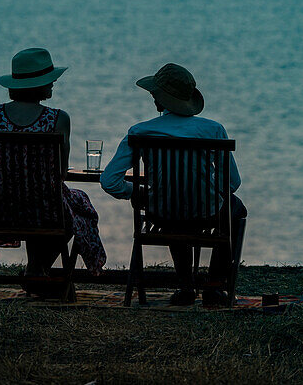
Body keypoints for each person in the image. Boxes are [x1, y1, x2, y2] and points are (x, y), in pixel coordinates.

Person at [100, 62, 246, 306]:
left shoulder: (140, 131)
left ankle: (186, 285)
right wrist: (205, 186)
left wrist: (140, 192)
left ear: (159, 101)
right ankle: (214, 285)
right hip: (206, 213)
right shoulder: (212, 129)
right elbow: (232, 182)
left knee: (173, 210)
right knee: (235, 208)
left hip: (162, 214)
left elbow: (109, 181)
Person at [0, 47, 106, 295]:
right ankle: (37, 272)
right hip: (46, 212)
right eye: (50, 80)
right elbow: (61, 173)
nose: (54, 84)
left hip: (1, 209)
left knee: (46, 201)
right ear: (39, 85)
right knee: (77, 205)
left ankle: (36, 272)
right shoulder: (58, 119)